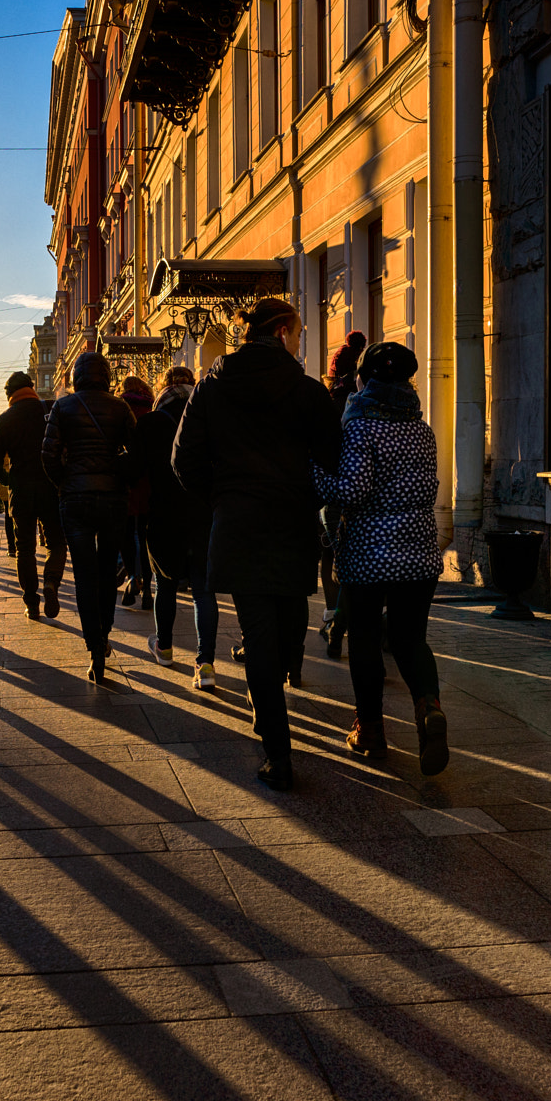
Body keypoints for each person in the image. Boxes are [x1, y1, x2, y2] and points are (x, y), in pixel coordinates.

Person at [171, 298, 340, 789]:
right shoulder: (308, 392)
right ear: (283, 331)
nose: (302, 340)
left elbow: (183, 461)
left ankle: (276, 751)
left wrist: (222, 497)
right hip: (291, 526)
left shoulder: (211, 388)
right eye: (301, 331)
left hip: (239, 526)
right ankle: (273, 731)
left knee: (261, 640)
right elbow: (333, 458)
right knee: (288, 632)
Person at [314, 340, 450, 775]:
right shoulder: (421, 428)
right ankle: (429, 706)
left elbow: (351, 490)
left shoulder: (361, 426)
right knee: (411, 639)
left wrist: (317, 473)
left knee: (367, 642)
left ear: (364, 380)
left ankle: (370, 732)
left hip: (369, 555)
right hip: (419, 553)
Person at [43, 351, 137, 684]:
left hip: (76, 500)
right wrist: (118, 476)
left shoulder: (62, 407)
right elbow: (136, 453)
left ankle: (94, 647)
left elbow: (49, 454)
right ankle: (105, 633)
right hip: (112, 499)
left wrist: (65, 483)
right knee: (107, 570)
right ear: (106, 376)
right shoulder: (119, 407)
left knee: (84, 575)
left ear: (77, 376)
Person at [135, 364, 219, 689]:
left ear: (163, 388)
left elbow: (135, 471)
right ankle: (206, 664)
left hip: (163, 514)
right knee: (203, 590)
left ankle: (165, 647)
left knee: (164, 584)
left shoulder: (151, 422)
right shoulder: (207, 415)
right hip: (202, 512)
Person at [0, 371, 67, 619]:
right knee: (56, 543)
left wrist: (9, 481)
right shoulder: (50, 409)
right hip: (51, 487)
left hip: (21, 490)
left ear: (9, 394)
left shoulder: (5, 419)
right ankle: (51, 582)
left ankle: (31, 602)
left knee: (25, 549)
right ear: (31, 387)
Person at [319, 330, 366, 659]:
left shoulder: (330, 404)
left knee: (332, 556)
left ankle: (334, 617)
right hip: (373, 496)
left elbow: (320, 452)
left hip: (335, 493)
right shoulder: (373, 403)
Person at [117, 376, 155, 613]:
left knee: (126, 532)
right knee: (145, 535)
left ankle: (132, 576)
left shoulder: (120, 407)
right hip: (149, 479)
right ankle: (149, 589)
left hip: (128, 479)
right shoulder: (152, 406)